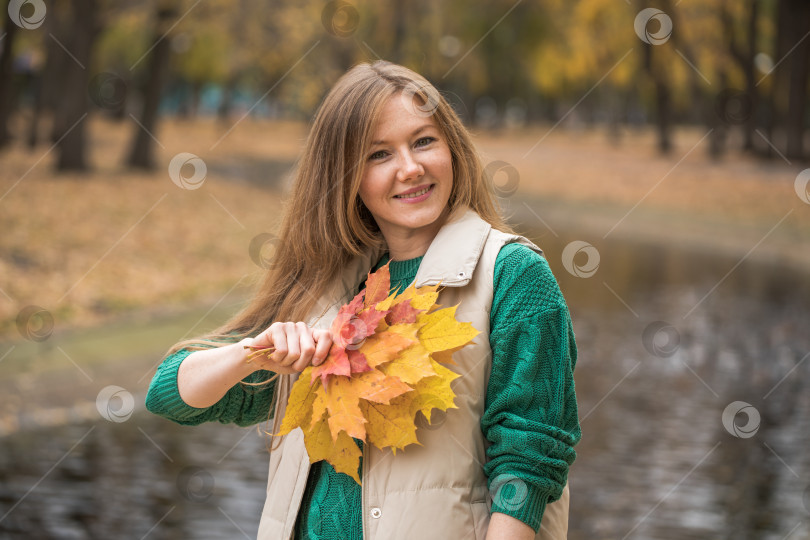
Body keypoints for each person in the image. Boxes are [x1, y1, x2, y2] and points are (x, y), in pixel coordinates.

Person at [146, 60, 581, 540]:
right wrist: (255, 354)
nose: (410, 168)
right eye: (379, 155)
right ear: (344, 177)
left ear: (451, 147)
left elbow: (529, 463)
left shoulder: (513, 275)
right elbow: (170, 396)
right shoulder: (325, 289)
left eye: (423, 141)